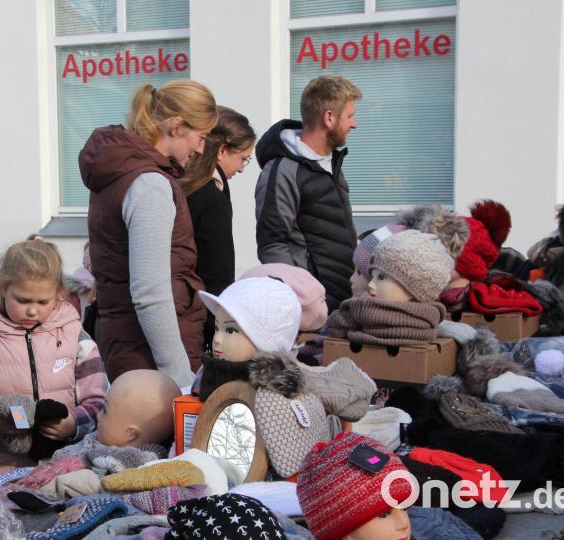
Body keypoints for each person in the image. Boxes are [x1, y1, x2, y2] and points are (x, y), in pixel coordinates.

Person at [79, 79, 218, 388]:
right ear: (176, 127)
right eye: (201, 136)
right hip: (149, 359)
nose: (201, 149)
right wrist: (180, 378)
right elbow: (150, 293)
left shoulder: (122, 172)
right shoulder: (150, 185)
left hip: (128, 345)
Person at [0, 236, 106, 472]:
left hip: (64, 467)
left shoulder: (76, 337)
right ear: (4, 288)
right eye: (22, 300)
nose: (32, 310)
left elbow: (99, 402)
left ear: (59, 293)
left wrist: (74, 423)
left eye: (43, 302)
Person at [254, 75, 362, 312]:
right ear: (329, 118)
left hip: (343, 302)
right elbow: (272, 244)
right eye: (350, 116)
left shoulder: (332, 163)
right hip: (314, 309)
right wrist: (304, 301)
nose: (354, 124)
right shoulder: (283, 170)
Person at [180, 106, 256, 352]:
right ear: (222, 151)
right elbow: (217, 274)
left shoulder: (180, 185)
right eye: (243, 158)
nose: (242, 169)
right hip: (198, 318)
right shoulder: (213, 199)